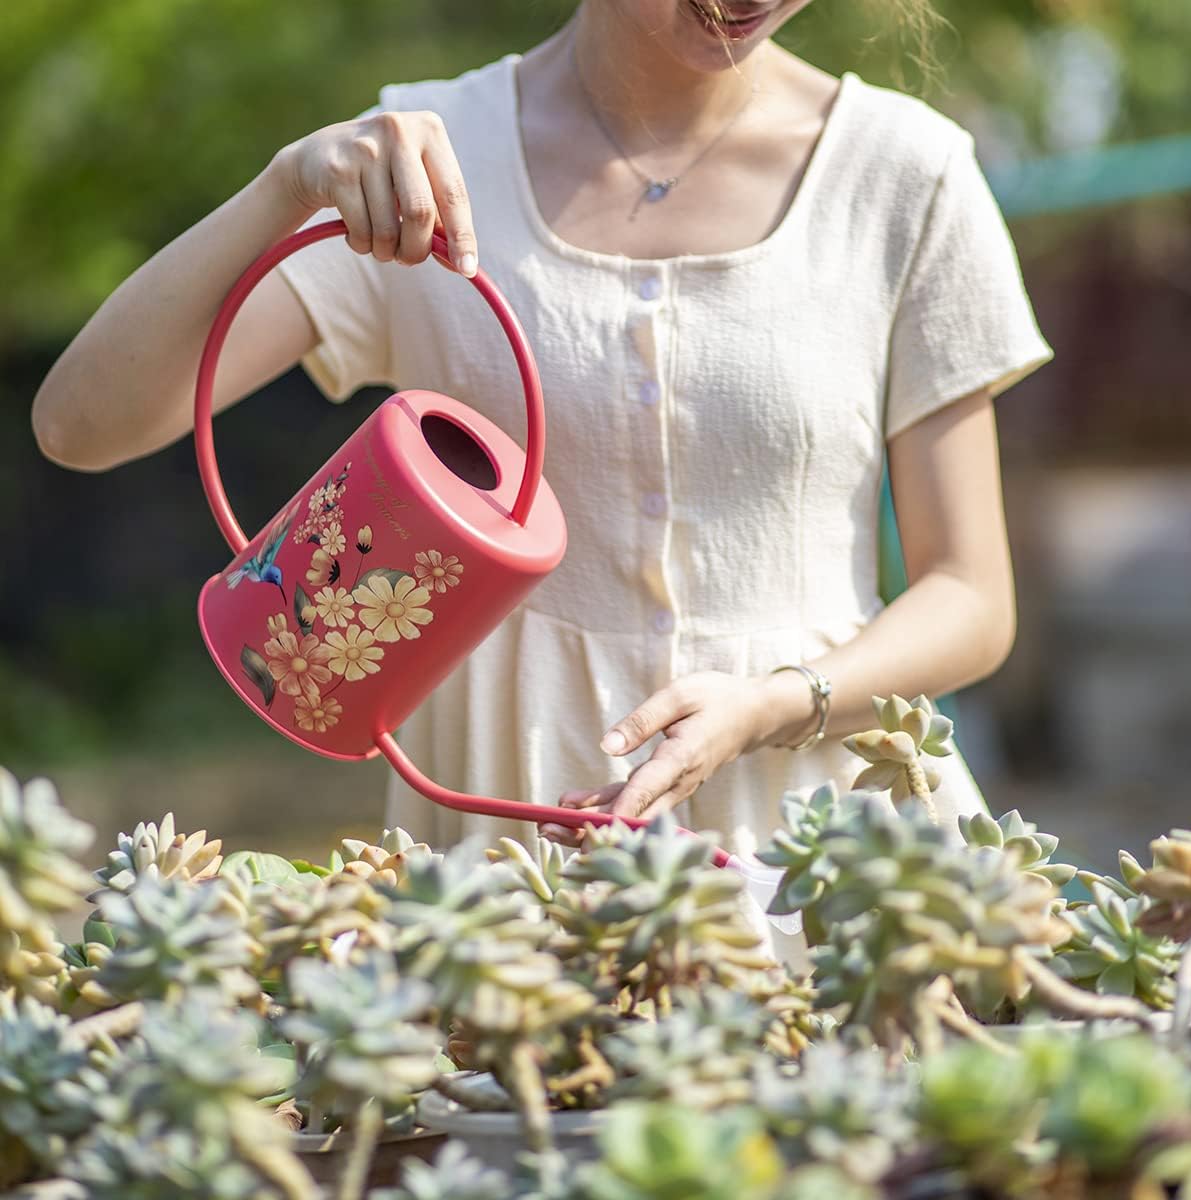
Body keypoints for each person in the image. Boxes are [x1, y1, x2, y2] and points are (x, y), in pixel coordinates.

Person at [32, 1, 1052, 877]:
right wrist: (284, 187)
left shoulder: (907, 176)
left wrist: (774, 704)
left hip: (826, 853)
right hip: (507, 851)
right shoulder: (425, 161)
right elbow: (80, 424)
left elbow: (971, 595)